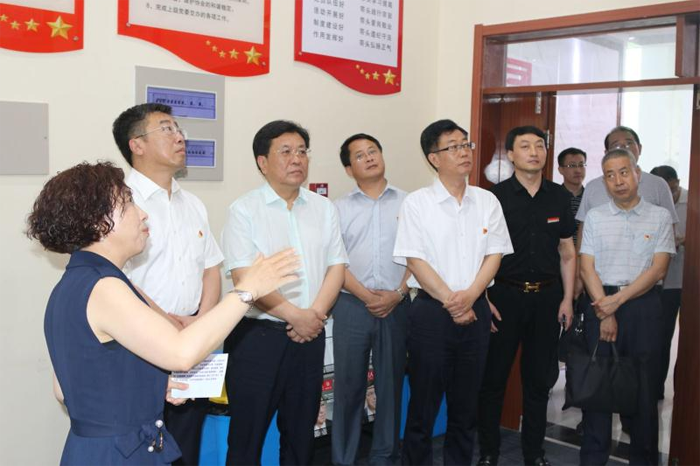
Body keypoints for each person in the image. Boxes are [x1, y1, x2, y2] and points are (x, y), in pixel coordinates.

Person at [27, 161, 299, 465]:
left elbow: (65, 389)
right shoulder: (105, 287)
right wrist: (248, 290)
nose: (143, 214)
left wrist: (152, 387)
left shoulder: (74, 283)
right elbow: (181, 353)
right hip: (121, 454)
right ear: (98, 222)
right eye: (128, 203)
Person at [221, 120, 348, 465]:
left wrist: (314, 316)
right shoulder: (244, 210)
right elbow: (245, 278)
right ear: (262, 162)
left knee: (301, 433)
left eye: (302, 152)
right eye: (286, 151)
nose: (297, 159)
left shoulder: (323, 208)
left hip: (310, 335)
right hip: (258, 338)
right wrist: (296, 316)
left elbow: (337, 267)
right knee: (247, 437)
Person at [394, 119, 513, 466]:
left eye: (466, 144)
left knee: (465, 408)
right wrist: (452, 301)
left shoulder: (487, 200)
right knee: (423, 407)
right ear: (434, 158)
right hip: (431, 314)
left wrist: (472, 295)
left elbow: (495, 254)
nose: (464, 152)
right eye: (454, 147)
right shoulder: (417, 203)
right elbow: (415, 260)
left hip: (476, 311)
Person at [112, 102, 225, 466]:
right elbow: (114, 278)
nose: (179, 137)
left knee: (186, 444)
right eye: (166, 129)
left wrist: (202, 321)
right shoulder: (118, 204)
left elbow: (211, 267)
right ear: (137, 145)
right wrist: (167, 324)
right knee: (142, 447)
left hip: (193, 342)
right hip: (138, 344)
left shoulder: (193, 203)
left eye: (178, 129)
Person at [477, 126, 576, 466]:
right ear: (511, 154)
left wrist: (567, 299)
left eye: (539, 145)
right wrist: (483, 298)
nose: (534, 152)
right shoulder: (494, 197)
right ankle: (489, 451)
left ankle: (534, 453)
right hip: (503, 297)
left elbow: (567, 252)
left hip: (547, 299)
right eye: (525, 146)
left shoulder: (559, 196)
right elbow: (478, 252)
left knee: (538, 382)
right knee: (493, 379)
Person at [579, 149, 674, 465]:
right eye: (610, 175)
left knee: (644, 391)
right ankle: (593, 459)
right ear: (604, 181)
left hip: (642, 307)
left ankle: (643, 459)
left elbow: (658, 270)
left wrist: (615, 303)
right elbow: (586, 268)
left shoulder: (659, 217)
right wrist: (605, 310)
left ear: (637, 174)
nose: (618, 181)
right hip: (600, 301)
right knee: (597, 391)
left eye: (623, 172)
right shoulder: (596, 217)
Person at [330, 133, 410, 466]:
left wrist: (398, 294)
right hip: (351, 305)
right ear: (349, 169)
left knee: (390, 387)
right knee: (348, 387)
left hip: (397, 304)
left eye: (373, 151)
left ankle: (384, 457)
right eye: (360, 155)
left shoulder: (409, 203)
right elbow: (336, 261)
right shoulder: (338, 208)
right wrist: (366, 295)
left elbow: (419, 256)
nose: (370, 158)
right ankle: (344, 459)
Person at [575, 126, 679, 243]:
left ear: (639, 148)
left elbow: (669, 229)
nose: (624, 148)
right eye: (616, 146)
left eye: (629, 144)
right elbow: (584, 229)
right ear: (607, 153)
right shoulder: (592, 187)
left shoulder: (658, 185)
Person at [650, 165, 687, 399]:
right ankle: (656, 389)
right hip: (662, 283)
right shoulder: (651, 202)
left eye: (672, 190)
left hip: (689, 280)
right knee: (661, 338)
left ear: (677, 182)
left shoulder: (692, 202)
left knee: (688, 341)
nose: (669, 196)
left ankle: (684, 392)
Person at [557, 147, 587, 248]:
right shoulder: (554, 196)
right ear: (561, 170)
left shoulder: (590, 197)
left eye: (581, 165)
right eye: (572, 165)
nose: (578, 170)